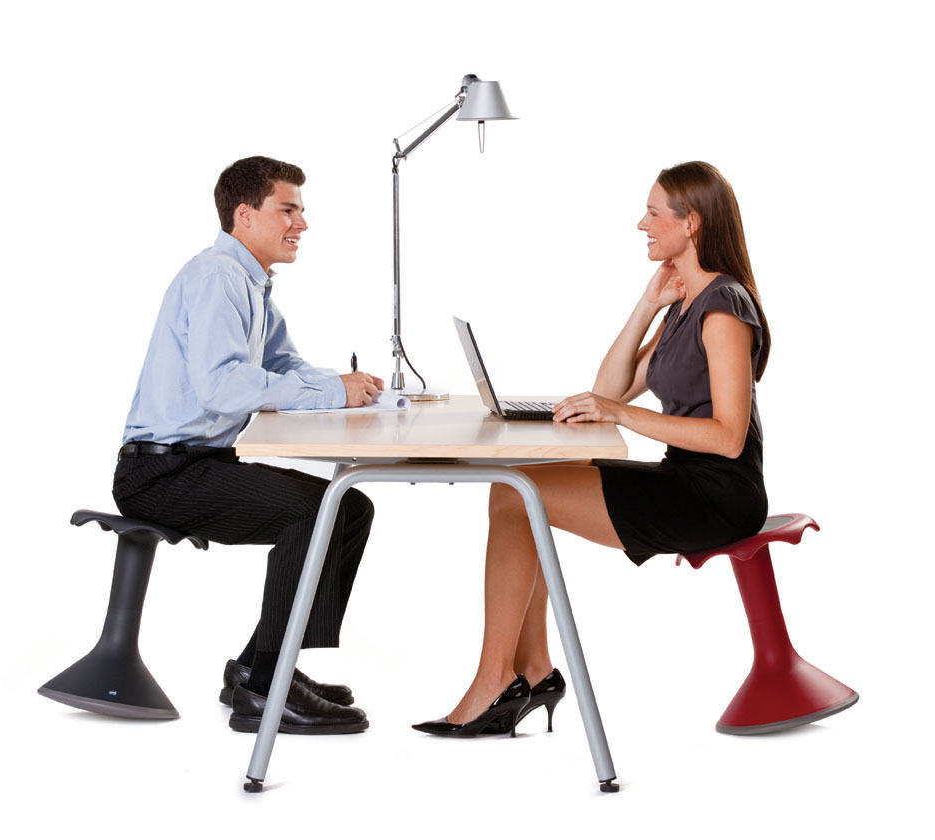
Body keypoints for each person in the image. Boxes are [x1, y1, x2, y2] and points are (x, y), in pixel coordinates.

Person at [413, 161, 770, 736]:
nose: (641, 224)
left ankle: (498, 682)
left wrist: (621, 414)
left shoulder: (725, 308)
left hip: (716, 496)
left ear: (692, 224)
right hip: (683, 480)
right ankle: (528, 669)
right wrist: (646, 307)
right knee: (516, 486)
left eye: (654, 213)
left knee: (515, 494)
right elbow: (608, 391)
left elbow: (728, 437)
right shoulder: (686, 304)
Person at [112, 155, 385, 735]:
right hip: (162, 475)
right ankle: (265, 688)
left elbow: (282, 363)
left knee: (351, 505)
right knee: (318, 512)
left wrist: (346, 388)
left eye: (302, 212)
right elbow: (222, 387)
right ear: (245, 214)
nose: (302, 224)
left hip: (199, 464)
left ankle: (262, 665)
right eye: (288, 209)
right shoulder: (217, 276)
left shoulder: (249, 281)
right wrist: (332, 392)